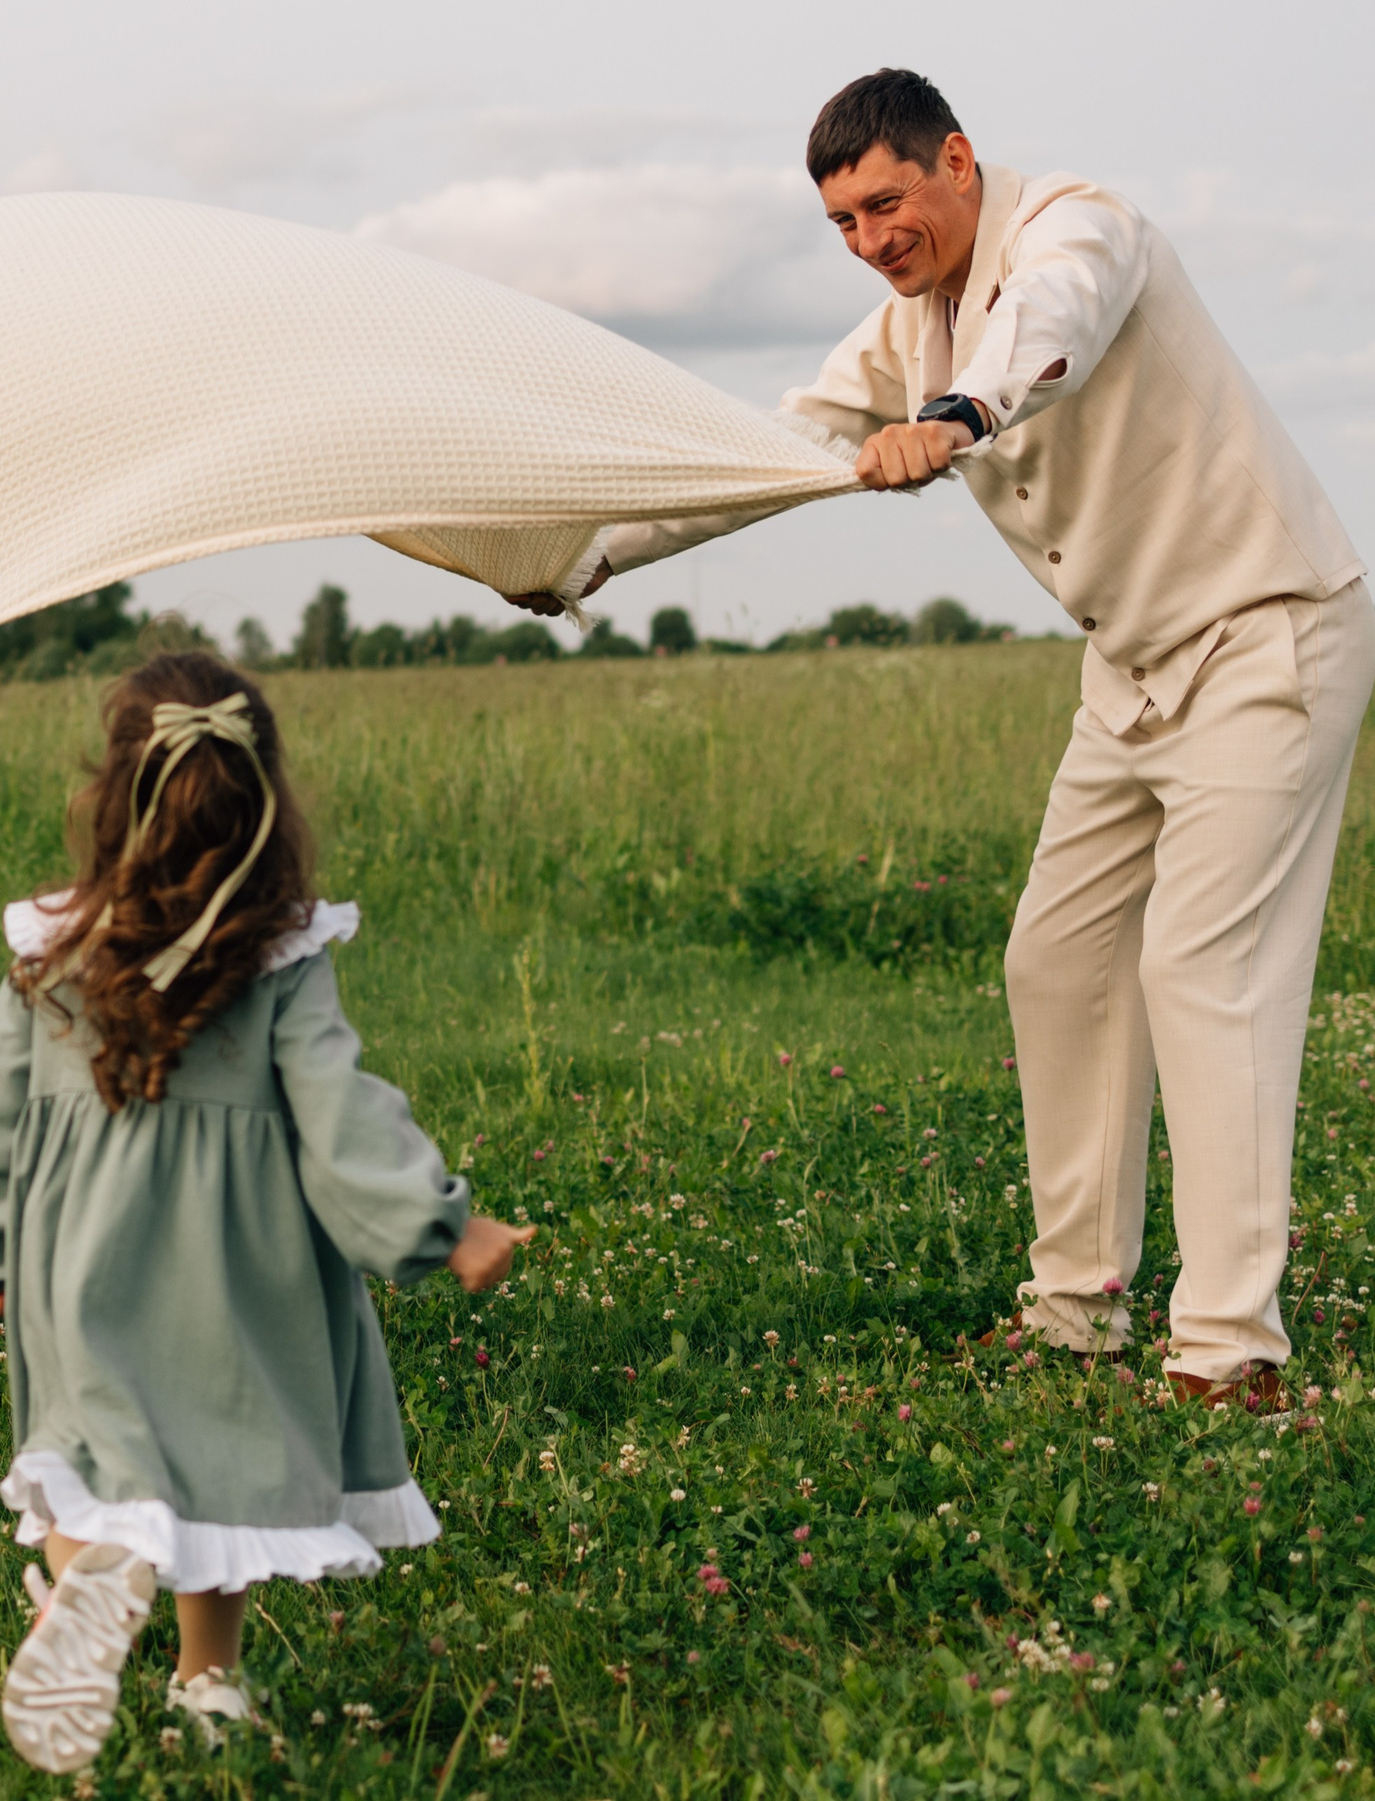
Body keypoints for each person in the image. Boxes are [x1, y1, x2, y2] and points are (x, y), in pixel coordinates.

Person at [515, 69, 1369, 1413]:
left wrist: (960, 417)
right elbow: (767, 453)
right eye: (843, 222)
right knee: (1059, 961)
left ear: (958, 161)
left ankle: (1228, 1351)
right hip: (1131, 666)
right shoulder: (898, 334)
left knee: (1206, 969)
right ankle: (1080, 1306)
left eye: (886, 202)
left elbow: (1054, 321)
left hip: (1266, 631)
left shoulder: (1081, 227)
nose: (870, 240)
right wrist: (584, 560)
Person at [0, 651, 531, 1773]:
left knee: (86, 1447)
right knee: (222, 1454)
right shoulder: (282, 955)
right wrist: (442, 1227)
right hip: (236, 1270)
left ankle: (83, 1584)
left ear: (108, 795)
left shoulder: (51, 948)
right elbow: (342, 1119)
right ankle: (208, 1681)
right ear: (266, 801)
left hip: (79, 1258)